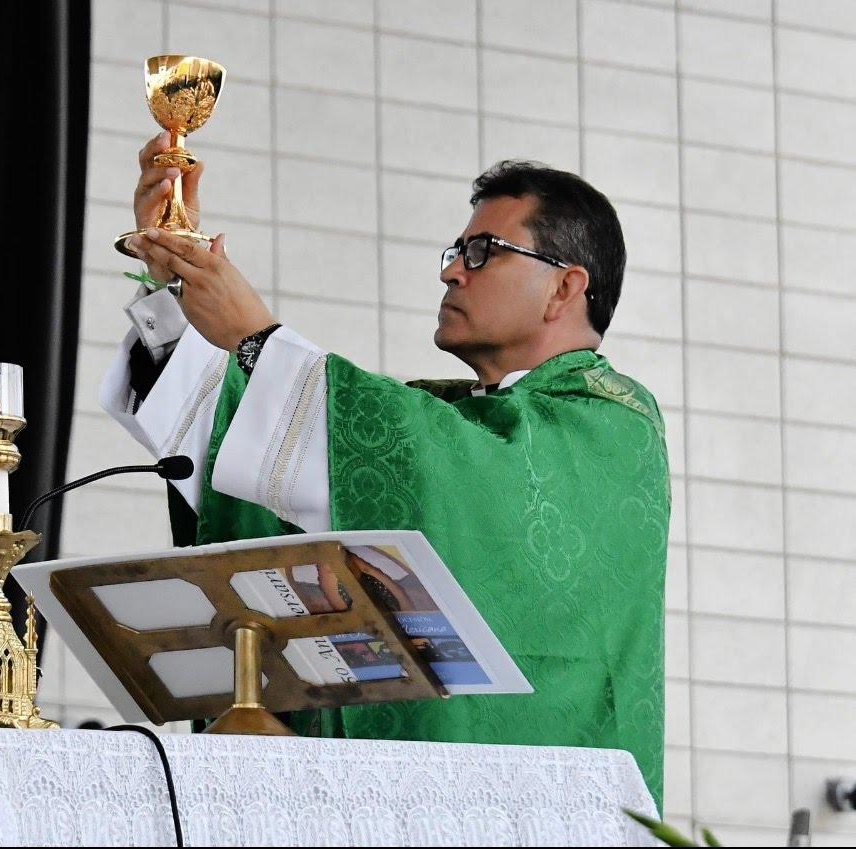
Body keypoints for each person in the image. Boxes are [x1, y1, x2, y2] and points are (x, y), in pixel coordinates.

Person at [100, 131, 669, 809]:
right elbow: (259, 455)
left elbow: (443, 470)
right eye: (456, 251)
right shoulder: (450, 415)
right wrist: (177, 276)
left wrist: (257, 338)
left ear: (565, 287)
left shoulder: (611, 424)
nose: (452, 270)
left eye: (482, 251)